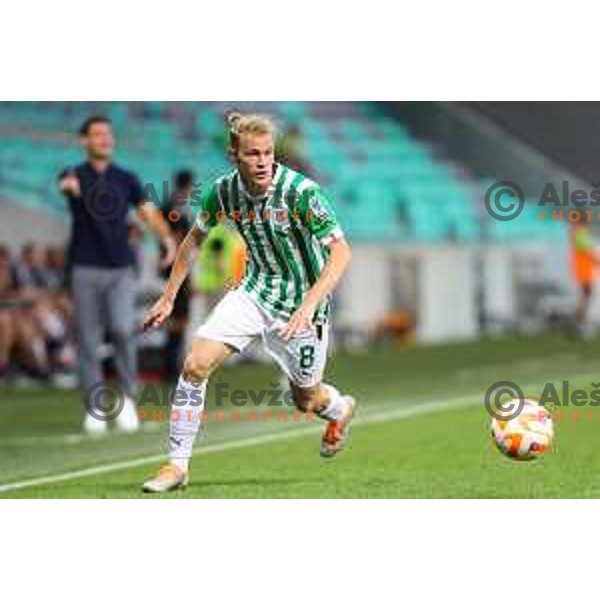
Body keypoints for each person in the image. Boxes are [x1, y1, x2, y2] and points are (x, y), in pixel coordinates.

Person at [142, 112, 354, 493]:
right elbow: (194, 239)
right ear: (234, 155)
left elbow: (340, 252)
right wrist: (169, 296)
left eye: (268, 153)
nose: (262, 162)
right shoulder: (222, 192)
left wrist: (308, 305)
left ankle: (339, 409)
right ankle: (177, 466)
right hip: (254, 292)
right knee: (195, 364)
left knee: (306, 400)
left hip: (303, 306)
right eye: (252, 154)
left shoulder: (301, 192)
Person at [58, 115, 177, 435]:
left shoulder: (126, 178)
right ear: (84, 141)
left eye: (108, 134)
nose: (105, 139)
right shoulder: (74, 174)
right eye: (97, 134)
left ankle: (126, 400)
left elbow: (147, 212)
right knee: (88, 339)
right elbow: (66, 188)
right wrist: (69, 189)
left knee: (124, 330)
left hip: (121, 268)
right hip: (84, 267)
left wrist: (166, 239)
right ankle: (95, 407)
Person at [570, 220, 598, 338]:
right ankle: (580, 325)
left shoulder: (578, 233)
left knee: (586, 297)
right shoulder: (580, 234)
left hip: (584, 270)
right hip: (584, 271)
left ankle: (581, 324)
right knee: (585, 298)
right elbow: (589, 251)